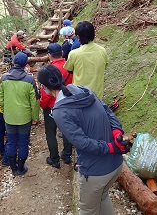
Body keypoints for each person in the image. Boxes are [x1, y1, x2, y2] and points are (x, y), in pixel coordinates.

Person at [37, 64, 132, 215]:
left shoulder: (60, 111)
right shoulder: (83, 89)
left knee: (88, 210)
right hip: (116, 164)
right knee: (102, 197)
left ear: (44, 87)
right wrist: (116, 132)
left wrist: (110, 146)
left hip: (96, 172)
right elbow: (107, 110)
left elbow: (82, 142)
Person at [0, 52, 40, 176]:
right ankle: (20, 168)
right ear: (26, 65)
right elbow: (35, 101)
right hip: (25, 118)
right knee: (23, 142)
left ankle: (13, 168)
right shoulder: (29, 79)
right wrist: (35, 117)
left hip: (10, 117)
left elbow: (0, 98)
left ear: (12, 63)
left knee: (11, 142)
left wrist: (4, 111)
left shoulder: (4, 78)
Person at [39, 43, 73, 169]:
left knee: (50, 133)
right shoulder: (68, 66)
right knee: (67, 130)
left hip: (52, 105)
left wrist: (42, 104)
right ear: (62, 53)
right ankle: (67, 155)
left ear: (49, 55)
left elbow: (46, 94)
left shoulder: (49, 70)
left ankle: (54, 159)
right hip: (67, 103)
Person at [64, 21, 108, 98]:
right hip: (97, 95)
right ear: (93, 34)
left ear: (78, 37)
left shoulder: (74, 54)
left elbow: (69, 70)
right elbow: (105, 65)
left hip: (80, 95)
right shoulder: (102, 51)